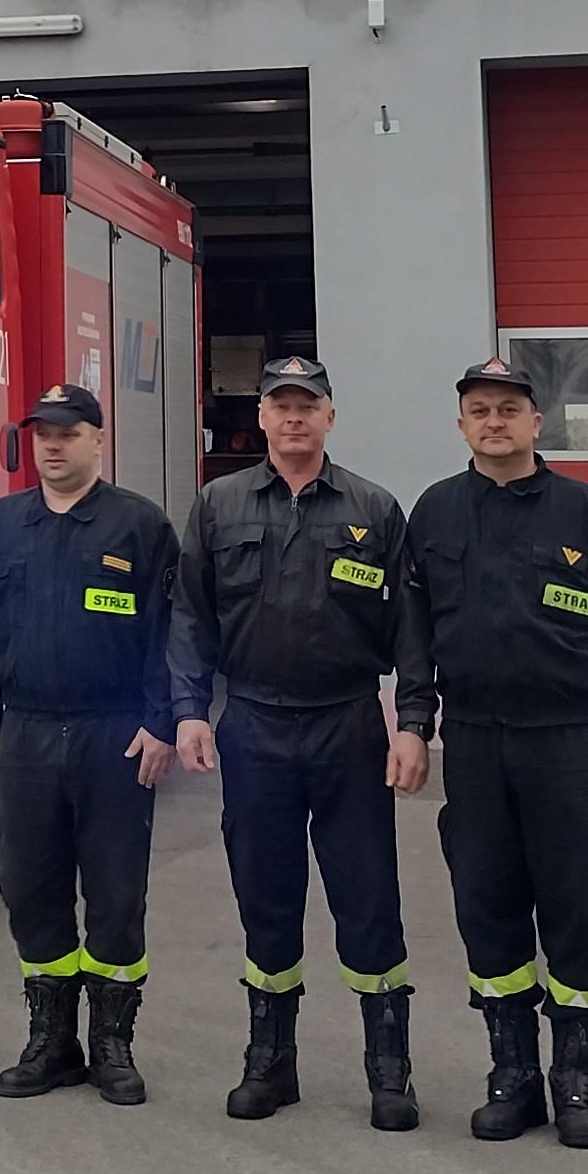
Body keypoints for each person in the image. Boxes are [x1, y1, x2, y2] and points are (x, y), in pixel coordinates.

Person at [172, 355, 430, 1129]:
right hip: (254, 723)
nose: (293, 417)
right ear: (261, 417)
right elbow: (189, 617)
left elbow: (411, 630)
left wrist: (412, 723)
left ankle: (389, 1070)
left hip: (346, 725)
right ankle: (270, 1063)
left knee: (368, 898)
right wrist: (189, 711)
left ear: (329, 417)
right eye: (280, 405)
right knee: (266, 897)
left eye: (307, 405)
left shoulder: (374, 509)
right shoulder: (219, 506)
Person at [403, 354, 588, 1148]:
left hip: (566, 744)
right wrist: (416, 719)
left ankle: (576, 1082)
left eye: (509, 409)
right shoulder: (435, 513)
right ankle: (512, 1075)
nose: (494, 421)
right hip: (475, 742)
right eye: (480, 409)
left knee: (575, 909)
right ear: (462, 424)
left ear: (537, 422)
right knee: (488, 906)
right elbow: (415, 630)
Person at [0, 383, 179, 1106]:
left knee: (115, 893)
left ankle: (112, 1045)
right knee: (30, 890)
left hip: (112, 734)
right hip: (22, 732)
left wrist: (161, 721)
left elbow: (168, 633)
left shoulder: (139, 525)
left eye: (68, 432)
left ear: (98, 441)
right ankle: (51, 1042)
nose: (52, 445)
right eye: (42, 433)